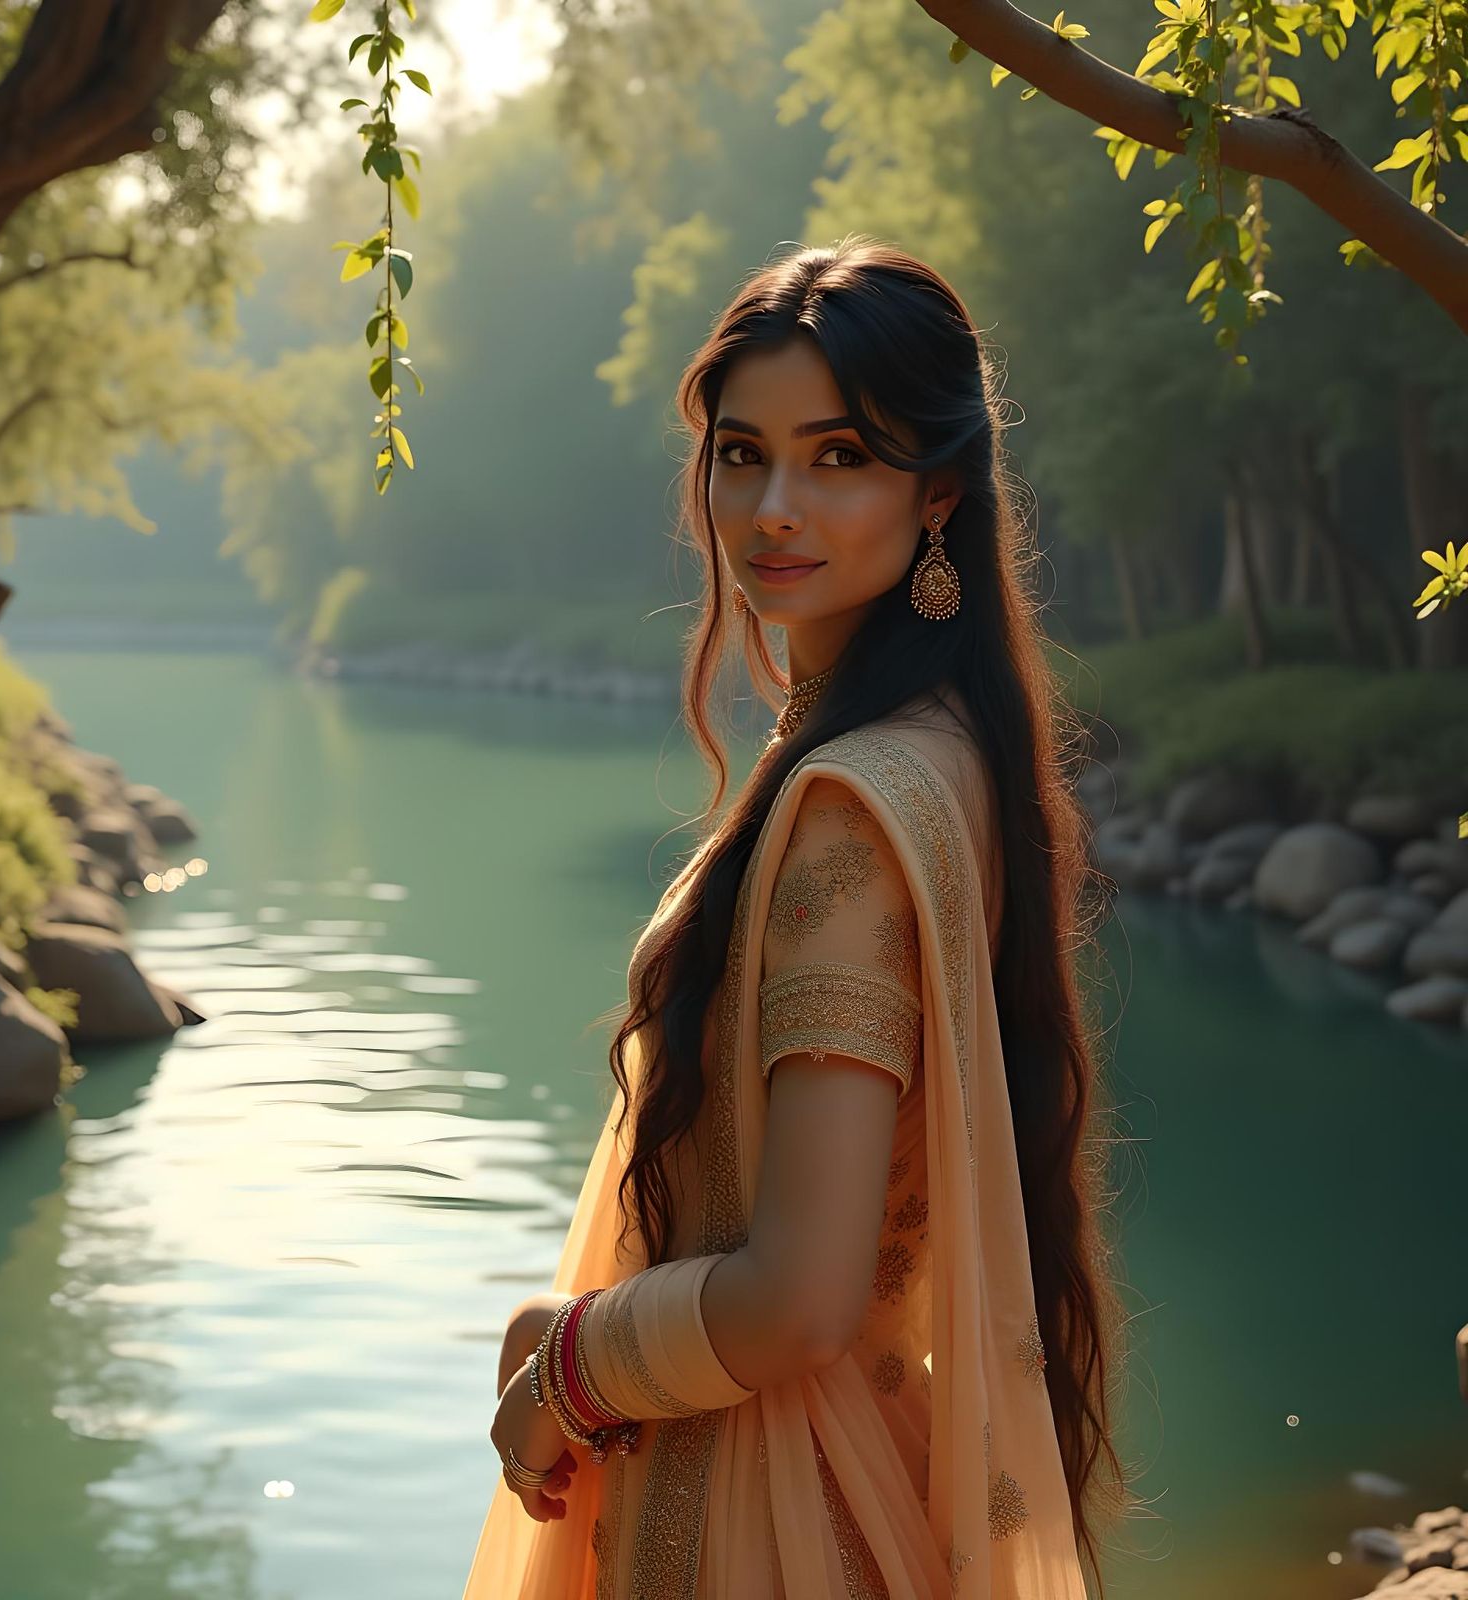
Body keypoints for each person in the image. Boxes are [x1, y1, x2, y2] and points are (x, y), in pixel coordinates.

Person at [461, 236, 1129, 1598]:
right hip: (830, 1477)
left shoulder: (852, 802)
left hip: (755, 1518)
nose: (773, 506)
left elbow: (804, 1299)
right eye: (739, 452)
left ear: (936, 491)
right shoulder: (947, 752)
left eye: (838, 458)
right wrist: (569, 1330)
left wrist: (573, 1367)